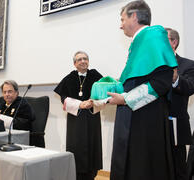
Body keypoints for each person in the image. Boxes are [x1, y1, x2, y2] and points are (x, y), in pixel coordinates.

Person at [107, 1, 178, 180]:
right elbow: (135, 80)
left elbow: (161, 83)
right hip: (133, 118)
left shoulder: (154, 35)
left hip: (146, 121)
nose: (120, 24)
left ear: (135, 16)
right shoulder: (138, 41)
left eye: (123, 19)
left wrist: (125, 99)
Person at [54, 51, 103, 180]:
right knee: (77, 146)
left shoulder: (95, 75)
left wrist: (92, 102)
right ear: (75, 63)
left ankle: (92, 174)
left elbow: (105, 94)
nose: (83, 61)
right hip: (76, 119)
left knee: (93, 145)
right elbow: (63, 98)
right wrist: (80, 105)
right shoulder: (69, 78)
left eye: (85, 59)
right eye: (79, 59)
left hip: (92, 117)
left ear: (88, 61)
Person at [165, 28, 194, 180]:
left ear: (174, 42)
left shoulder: (188, 65)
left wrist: (175, 78)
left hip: (176, 125)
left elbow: (189, 88)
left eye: (164, 40)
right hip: (154, 126)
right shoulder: (151, 66)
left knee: (178, 171)